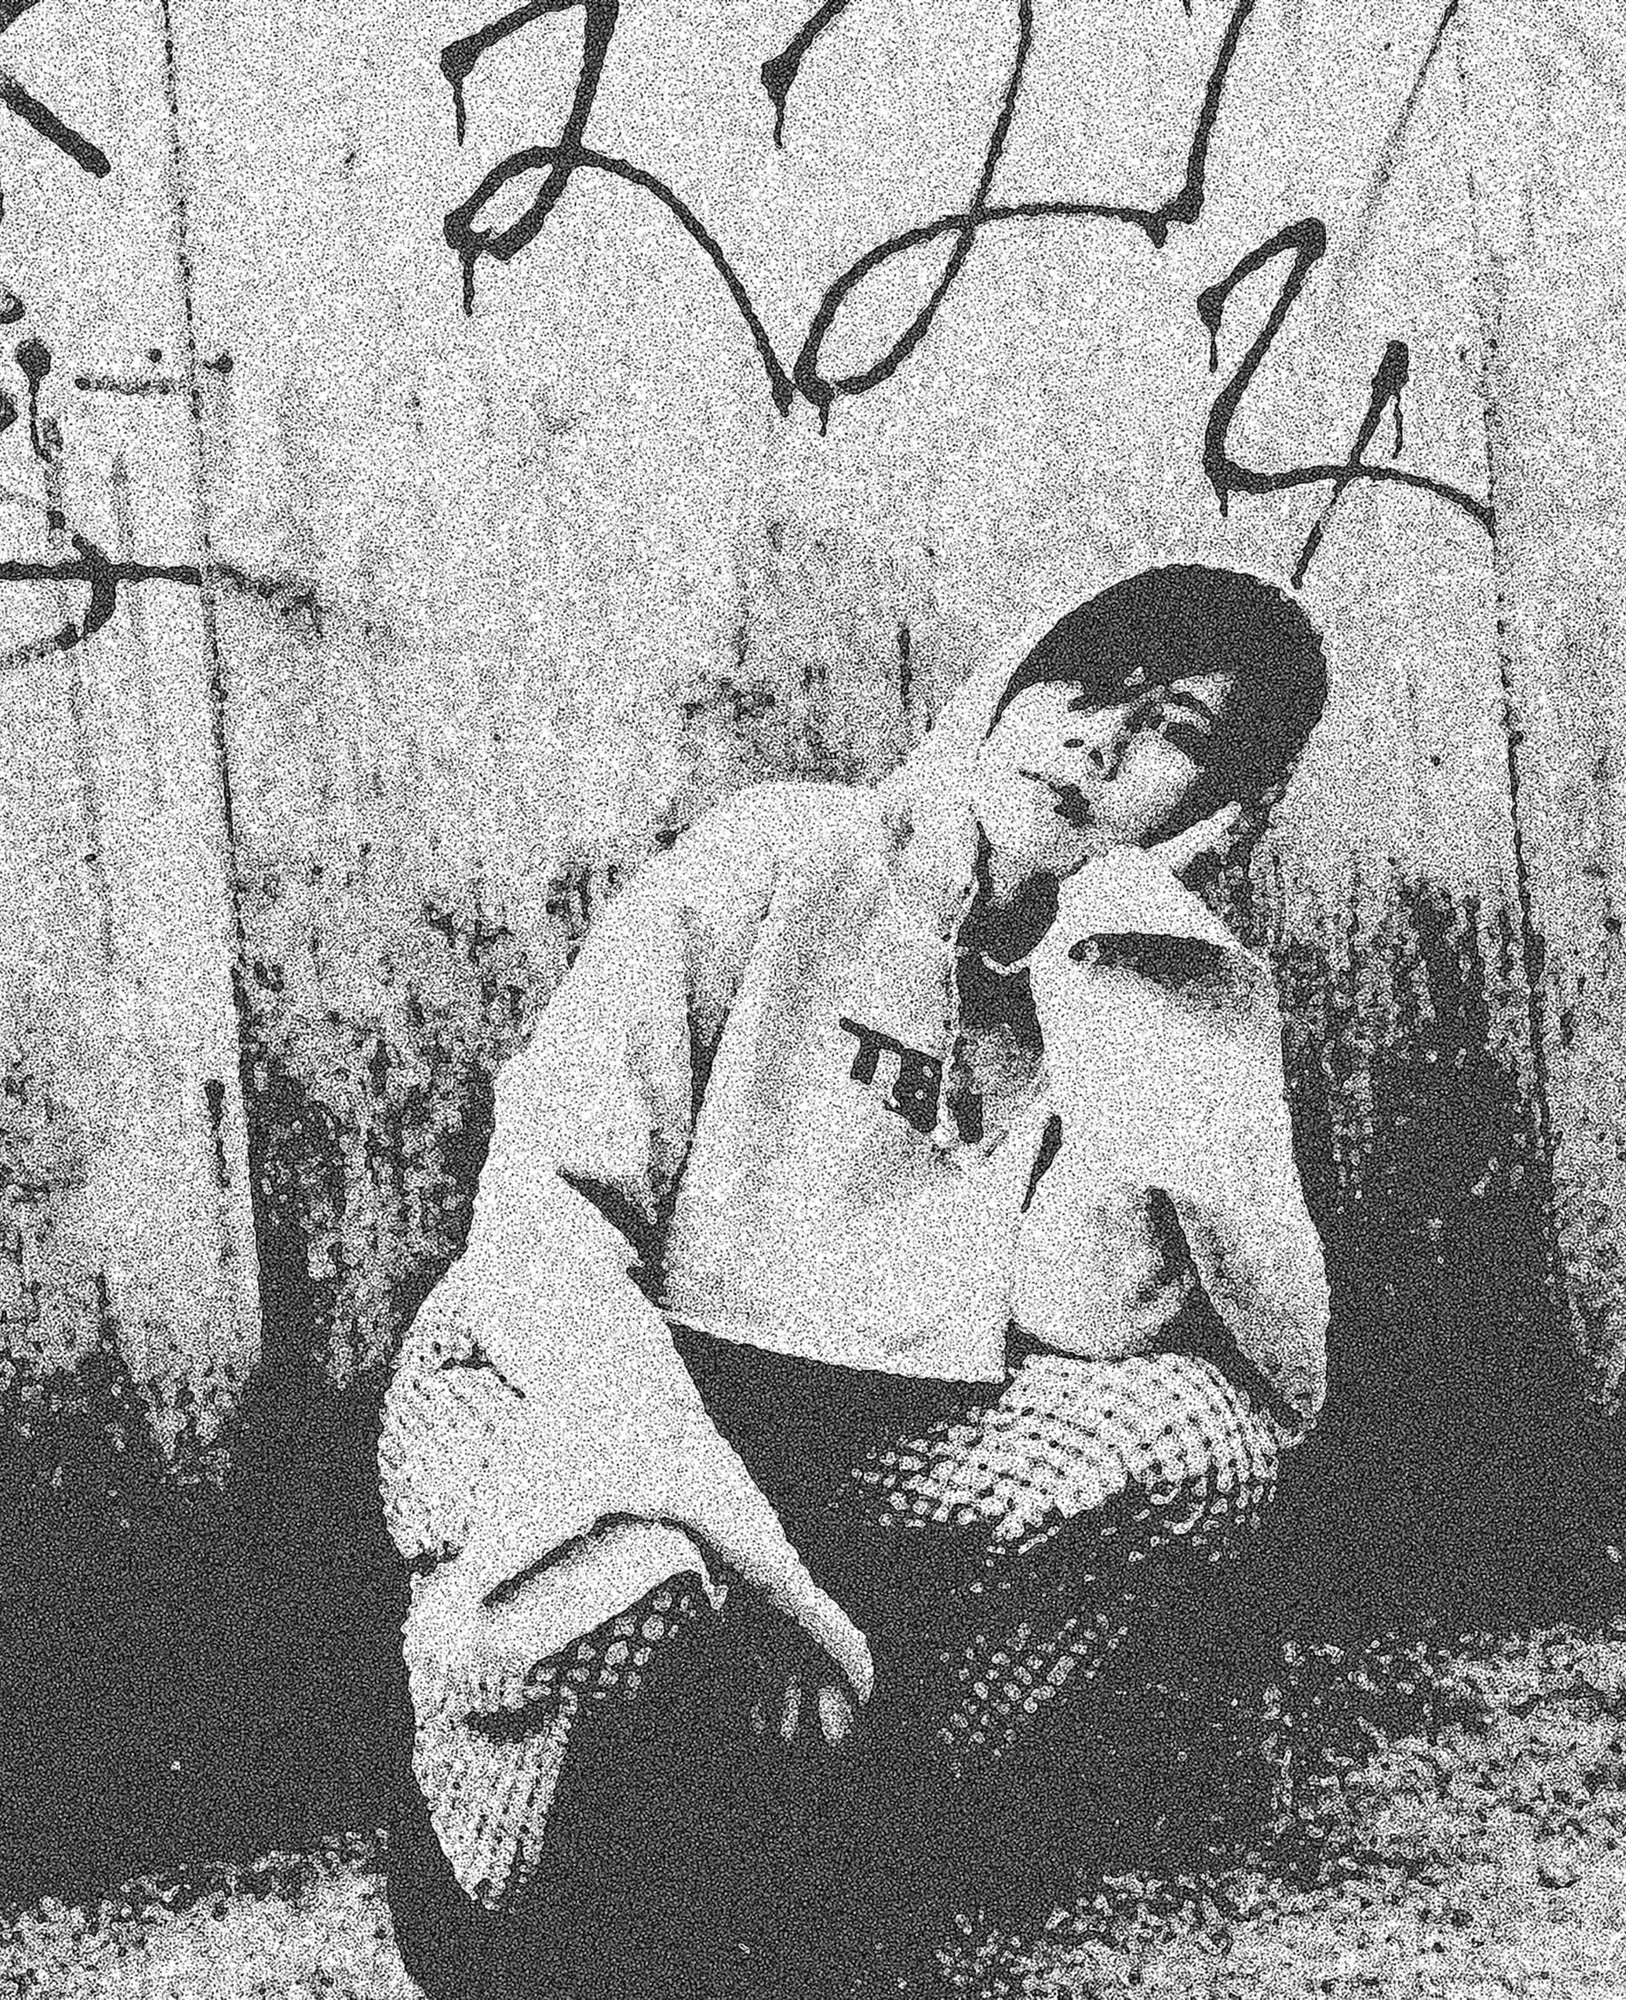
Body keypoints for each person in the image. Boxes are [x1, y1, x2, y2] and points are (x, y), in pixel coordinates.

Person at [377, 564, 1332, 1997]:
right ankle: (494, 1865)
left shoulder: (1131, 985)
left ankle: (824, 1834)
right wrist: (738, 1542)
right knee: (627, 1590)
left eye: (1177, 731)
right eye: (1085, 684)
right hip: (573, 1370)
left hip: (849, 1438)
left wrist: (1117, 968)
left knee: (1198, 1442)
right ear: (1008, 679)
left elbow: (1089, 1320)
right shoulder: (789, 851)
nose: (1101, 741)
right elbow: (546, 1218)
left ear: (1221, 807)